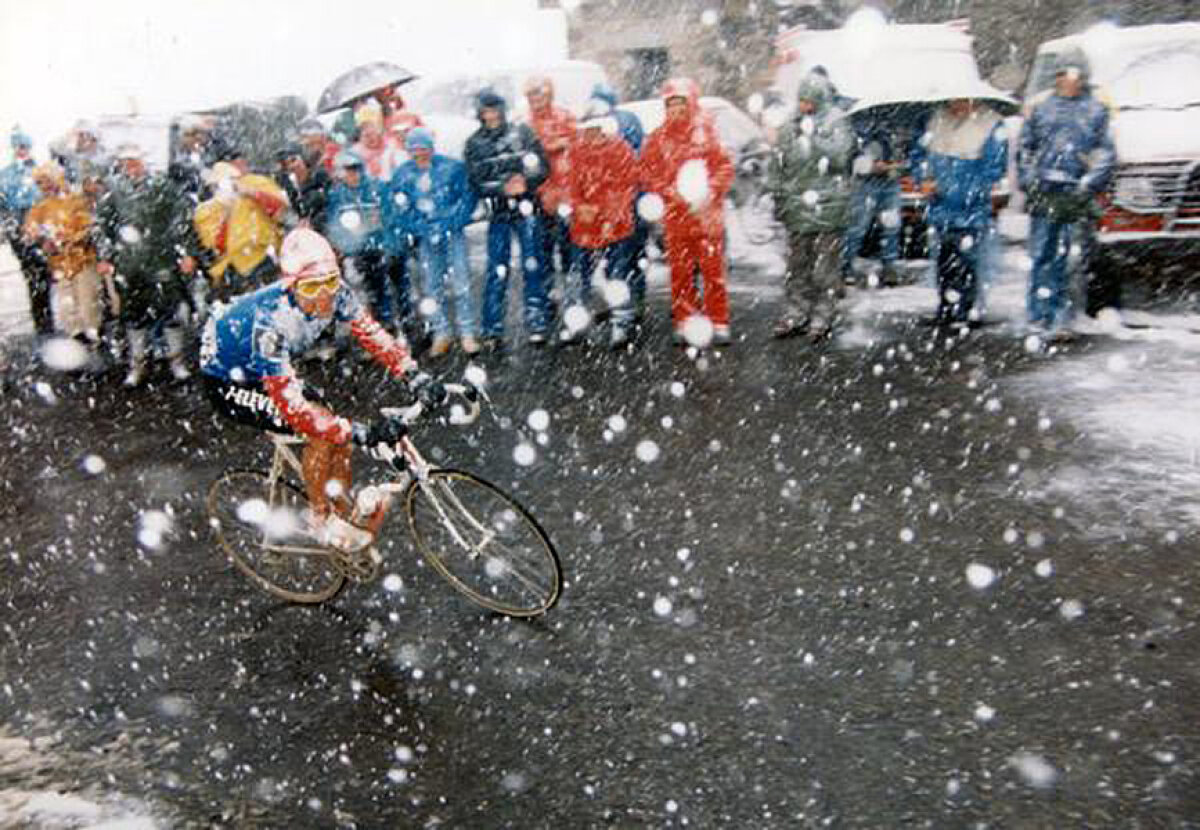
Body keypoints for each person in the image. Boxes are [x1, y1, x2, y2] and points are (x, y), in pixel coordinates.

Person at [198, 228, 439, 551]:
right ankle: (320, 518)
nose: (324, 295)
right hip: (230, 380)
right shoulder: (270, 323)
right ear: (291, 284)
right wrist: (360, 431)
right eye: (311, 287)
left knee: (338, 435)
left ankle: (342, 512)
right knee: (322, 434)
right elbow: (295, 410)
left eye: (330, 282)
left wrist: (413, 374)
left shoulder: (337, 293)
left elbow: (369, 332)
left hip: (265, 369)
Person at [1018, 49, 1115, 341]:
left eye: (1075, 75)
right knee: (1041, 255)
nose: (1070, 81)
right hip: (1045, 192)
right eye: (1065, 74)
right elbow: (1025, 148)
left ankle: (1062, 317)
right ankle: (1038, 314)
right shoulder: (1041, 108)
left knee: (1070, 257)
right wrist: (1030, 180)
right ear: (1057, 77)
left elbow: (1106, 153)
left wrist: (1088, 183)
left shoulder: (1096, 110)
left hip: (1076, 194)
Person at [640, 77, 735, 345]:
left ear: (691, 103)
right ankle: (685, 320)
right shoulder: (657, 138)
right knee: (680, 273)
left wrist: (710, 190)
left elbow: (725, 167)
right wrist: (667, 191)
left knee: (712, 272)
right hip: (676, 217)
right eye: (671, 104)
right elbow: (645, 172)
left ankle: (718, 321)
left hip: (707, 217)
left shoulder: (707, 134)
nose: (676, 109)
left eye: (681, 103)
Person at [95, 143, 197, 384]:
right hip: (128, 264)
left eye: (135, 162)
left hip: (162, 259)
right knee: (133, 315)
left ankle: (177, 362)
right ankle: (137, 365)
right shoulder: (114, 191)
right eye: (126, 163)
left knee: (170, 312)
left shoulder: (163, 186)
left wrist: (186, 252)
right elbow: (101, 226)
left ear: (144, 162)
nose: (131, 167)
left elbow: (182, 218)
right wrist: (105, 256)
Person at [767, 71, 854, 341]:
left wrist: (813, 136)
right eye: (801, 100)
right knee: (797, 267)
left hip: (828, 207)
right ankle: (796, 312)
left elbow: (840, 157)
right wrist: (778, 194)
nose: (804, 105)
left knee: (825, 269)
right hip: (796, 207)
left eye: (808, 100)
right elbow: (777, 164)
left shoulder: (836, 121)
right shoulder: (789, 125)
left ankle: (823, 314)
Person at [464, 89, 553, 349]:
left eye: (494, 109)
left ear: (502, 110)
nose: (491, 115)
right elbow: (475, 181)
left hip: (527, 208)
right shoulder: (475, 143)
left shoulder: (522, 133)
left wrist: (527, 181)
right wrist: (501, 188)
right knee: (496, 270)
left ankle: (537, 323)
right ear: (480, 114)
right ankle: (492, 329)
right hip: (498, 213)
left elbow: (542, 167)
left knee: (533, 265)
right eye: (486, 111)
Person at [911, 97, 1009, 329]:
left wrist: (959, 188)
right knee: (944, 259)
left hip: (970, 207)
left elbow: (993, 169)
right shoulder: (934, 120)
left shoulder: (990, 123)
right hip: (940, 206)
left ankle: (966, 309)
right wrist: (923, 178)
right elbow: (918, 154)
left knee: (969, 260)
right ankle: (947, 307)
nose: (956, 104)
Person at [388, 128, 480, 357]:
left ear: (431, 147)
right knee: (432, 286)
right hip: (426, 237)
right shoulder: (403, 174)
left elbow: (467, 198)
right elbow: (399, 207)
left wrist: (452, 222)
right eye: (415, 149)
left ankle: (467, 332)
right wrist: (419, 226)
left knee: (461, 282)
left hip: (452, 233)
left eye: (424, 148)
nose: (420, 154)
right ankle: (441, 332)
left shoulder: (452, 168)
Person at [563, 112, 639, 347]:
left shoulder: (621, 150)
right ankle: (576, 322)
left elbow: (627, 187)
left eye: (596, 128)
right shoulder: (576, 151)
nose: (592, 134)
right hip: (583, 226)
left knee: (618, 276)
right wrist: (579, 207)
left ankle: (621, 323)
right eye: (588, 129)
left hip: (615, 226)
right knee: (578, 276)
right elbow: (569, 185)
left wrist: (606, 214)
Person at [22, 162, 108, 351]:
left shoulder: (76, 200)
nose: (44, 186)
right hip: (59, 264)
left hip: (83, 260)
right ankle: (77, 340)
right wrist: (41, 240)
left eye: (47, 181)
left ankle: (96, 339)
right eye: (39, 183)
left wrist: (66, 240)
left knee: (88, 303)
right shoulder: (40, 207)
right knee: (67, 308)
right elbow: (29, 231)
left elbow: (87, 228)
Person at [586, 83, 648, 323]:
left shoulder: (624, 121)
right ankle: (624, 303)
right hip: (614, 201)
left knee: (626, 255)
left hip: (627, 199)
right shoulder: (599, 123)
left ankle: (631, 302)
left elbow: (635, 157)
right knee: (618, 256)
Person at [192, 160, 289, 303]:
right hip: (235, 269)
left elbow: (280, 209)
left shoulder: (255, 186)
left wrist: (252, 194)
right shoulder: (208, 211)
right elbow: (217, 244)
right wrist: (227, 214)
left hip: (263, 256)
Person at [325, 151, 395, 333]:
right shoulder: (338, 195)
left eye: (355, 169)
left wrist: (387, 244)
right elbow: (335, 225)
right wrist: (347, 248)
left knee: (384, 291)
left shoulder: (377, 189)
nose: (352, 174)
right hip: (355, 253)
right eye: (348, 170)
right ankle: (367, 329)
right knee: (360, 293)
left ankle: (388, 326)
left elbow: (390, 217)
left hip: (378, 249)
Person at [524, 76, 577, 299]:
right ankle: (548, 301)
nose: (536, 99)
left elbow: (577, 147)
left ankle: (574, 300)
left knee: (570, 251)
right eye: (532, 95)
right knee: (542, 252)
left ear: (549, 94)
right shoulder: (524, 124)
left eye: (540, 94)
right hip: (539, 196)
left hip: (567, 194)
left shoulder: (565, 117)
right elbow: (525, 157)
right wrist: (552, 145)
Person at [0, 128, 52, 336]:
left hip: (41, 225)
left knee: (45, 272)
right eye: (18, 147)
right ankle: (41, 320)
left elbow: (50, 197)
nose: (21, 150)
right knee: (32, 272)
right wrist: (12, 225)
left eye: (25, 146)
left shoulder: (41, 170)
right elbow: (2, 204)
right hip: (19, 225)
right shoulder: (6, 174)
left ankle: (46, 316)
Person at [843, 111, 903, 285]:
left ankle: (889, 266)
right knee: (858, 227)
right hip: (866, 182)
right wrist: (869, 164)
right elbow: (850, 152)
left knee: (891, 226)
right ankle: (846, 266)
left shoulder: (900, 119)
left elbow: (907, 149)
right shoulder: (859, 120)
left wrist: (895, 164)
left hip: (890, 179)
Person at [276, 142, 329, 233]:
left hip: (324, 228)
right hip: (301, 232)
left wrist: (314, 222)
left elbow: (330, 204)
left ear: (303, 158)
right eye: (286, 164)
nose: (292, 166)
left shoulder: (319, 176)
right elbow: (289, 211)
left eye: (293, 160)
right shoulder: (288, 184)